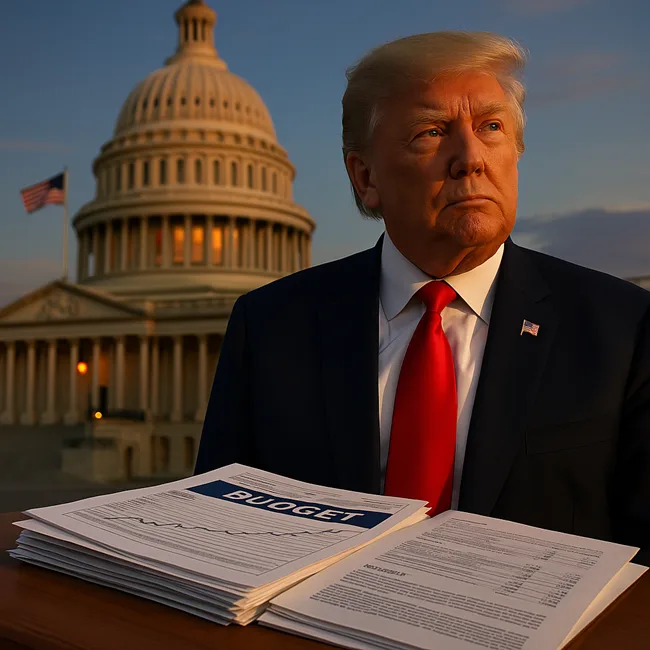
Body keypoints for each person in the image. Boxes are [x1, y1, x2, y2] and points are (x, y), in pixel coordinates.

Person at [195, 31, 650, 564]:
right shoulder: (271, 326)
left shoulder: (623, 329)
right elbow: (216, 538)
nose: (471, 159)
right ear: (365, 177)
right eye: (431, 133)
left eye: (492, 127)